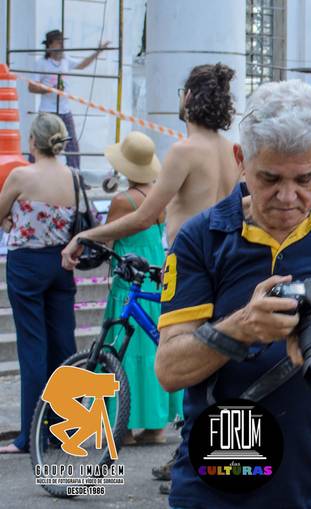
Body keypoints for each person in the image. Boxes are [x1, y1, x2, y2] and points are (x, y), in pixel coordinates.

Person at [154, 79, 311, 508]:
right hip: (218, 486)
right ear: (241, 160)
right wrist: (241, 327)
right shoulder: (202, 237)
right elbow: (169, 368)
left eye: (305, 178)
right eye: (270, 178)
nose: (288, 196)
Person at [61, 62, 241, 267]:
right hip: (223, 262)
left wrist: (84, 236)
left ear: (188, 96)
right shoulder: (232, 150)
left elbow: (143, 218)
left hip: (190, 263)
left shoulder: (184, 151)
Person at [0, 113, 78, 454]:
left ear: (33, 141)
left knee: (33, 345)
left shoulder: (21, 175)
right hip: (61, 263)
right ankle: (64, 428)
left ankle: (31, 434)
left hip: (26, 264)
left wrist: (10, 222)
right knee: (63, 344)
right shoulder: (73, 177)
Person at [100, 131, 183, 445]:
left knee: (125, 352)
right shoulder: (161, 195)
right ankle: (155, 425)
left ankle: (125, 425)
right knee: (152, 351)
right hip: (157, 275)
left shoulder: (124, 200)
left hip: (130, 281)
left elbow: (108, 239)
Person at [27, 29, 109, 169]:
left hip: (64, 110)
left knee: (71, 144)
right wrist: (50, 89)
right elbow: (31, 87)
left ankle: (75, 175)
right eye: (58, 42)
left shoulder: (66, 60)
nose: (62, 45)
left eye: (62, 42)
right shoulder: (41, 63)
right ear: (50, 45)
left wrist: (98, 51)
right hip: (48, 111)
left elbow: (82, 64)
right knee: (41, 141)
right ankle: (32, 170)